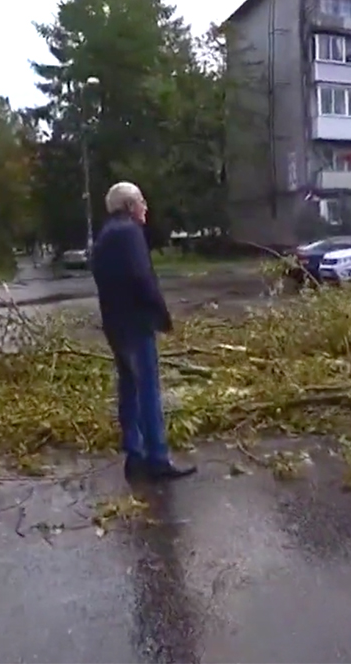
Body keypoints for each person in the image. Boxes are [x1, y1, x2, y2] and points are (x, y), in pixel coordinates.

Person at [91, 182, 196, 480]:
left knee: (129, 389)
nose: (146, 207)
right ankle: (157, 459)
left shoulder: (105, 237)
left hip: (115, 327)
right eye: (141, 201)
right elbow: (142, 277)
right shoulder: (129, 233)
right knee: (148, 390)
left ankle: (134, 456)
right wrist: (162, 316)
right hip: (136, 325)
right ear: (129, 206)